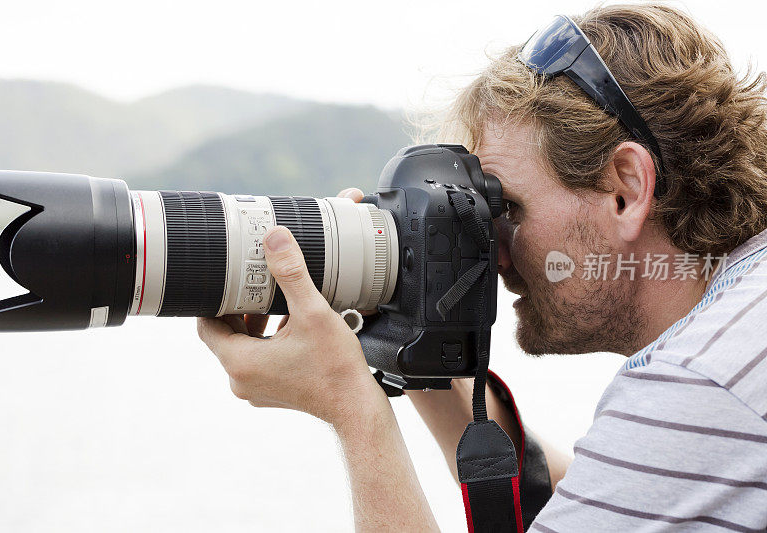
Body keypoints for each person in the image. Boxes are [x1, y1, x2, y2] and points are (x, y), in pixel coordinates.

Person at [197, 3, 767, 531]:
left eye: (506, 209)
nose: (490, 253)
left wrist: (351, 405)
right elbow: (591, 498)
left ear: (625, 189)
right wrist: (410, 333)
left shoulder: (699, 383)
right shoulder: (740, 327)